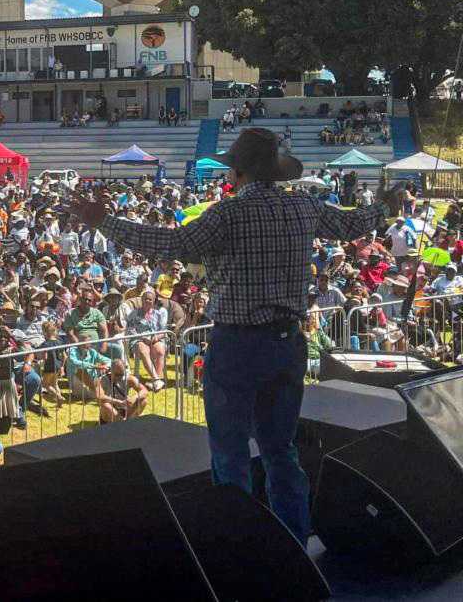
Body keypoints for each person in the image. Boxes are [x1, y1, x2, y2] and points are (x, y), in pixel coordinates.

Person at [72, 126, 401, 544]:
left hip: (237, 347)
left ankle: (238, 553)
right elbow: (353, 224)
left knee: (230, 457)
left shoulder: (228, 214)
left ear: (238, 172)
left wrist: (105, 222)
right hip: (287, 344)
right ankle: (294, 549)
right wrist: (385, 208)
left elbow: (170, 243)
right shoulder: (304, 207)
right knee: (281, 451)